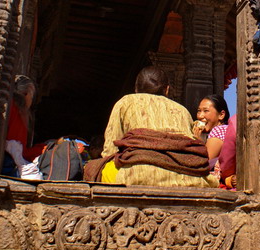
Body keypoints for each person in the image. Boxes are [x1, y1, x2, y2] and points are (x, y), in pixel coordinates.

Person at [87, 66, 218, 188]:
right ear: (166, 89)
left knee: (94, 168)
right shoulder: (182, 110)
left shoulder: (125, 102)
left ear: (136, 89)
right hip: (189, 177)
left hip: (135, 175)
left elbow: (110, 149)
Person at [193, 94, 230, 163]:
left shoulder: (219, 130)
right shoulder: (227, 129)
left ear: (221, 115)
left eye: (206, 111)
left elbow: (203, 161)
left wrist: (198, 142)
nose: (200, 116)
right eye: (199, 111)